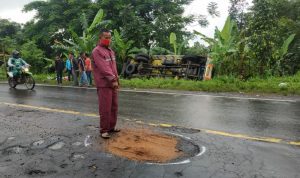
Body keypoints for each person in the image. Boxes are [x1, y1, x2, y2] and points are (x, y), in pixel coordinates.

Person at [92, 29, 120, 139]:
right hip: (104, 84)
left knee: (114, 106)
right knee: (105, 108)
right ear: (100, 38)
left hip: (113, 83)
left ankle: (111, 127)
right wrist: (113, 80)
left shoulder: (111, 51)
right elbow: (104, 68)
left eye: (110, 37)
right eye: (106, 37)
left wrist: (117, 80)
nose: (108, 39)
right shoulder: (97, 51)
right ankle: (104, 129)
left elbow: (114, 68)